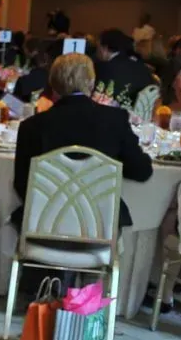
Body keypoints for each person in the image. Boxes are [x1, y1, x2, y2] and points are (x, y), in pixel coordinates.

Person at [12, 53, 153, 231]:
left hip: (43, 226)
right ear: (92, 83)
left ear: (52, 84)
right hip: (101, 226)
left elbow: (22, 184)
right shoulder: (115, 120)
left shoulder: (31, 126)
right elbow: (142, 171)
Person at [94, 28, 154, 109]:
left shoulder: (104, 68)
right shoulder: (141, 65)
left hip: (115, 113)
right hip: (145, 111)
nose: (97, 51)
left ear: (104, 48)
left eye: (98, 47)